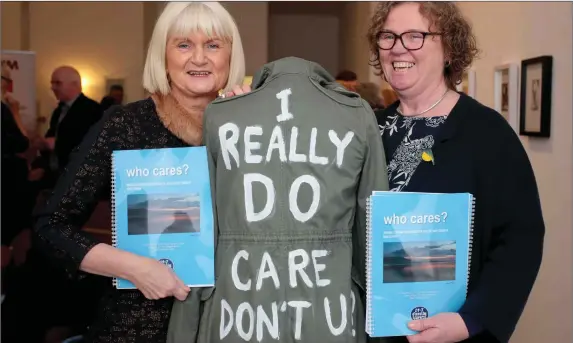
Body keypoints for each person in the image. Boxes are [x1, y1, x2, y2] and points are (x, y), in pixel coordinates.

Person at [33, 2, 249, 342]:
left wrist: (256, 120)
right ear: (163, 55)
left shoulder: (250, 130)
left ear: (230, 56)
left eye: (213, 45)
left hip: (232, 323)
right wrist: (136, 268)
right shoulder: (126, 126)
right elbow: (51, 228)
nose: (199, 58)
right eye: (183, 44)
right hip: (139, 325)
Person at [368, 2, 544, 343]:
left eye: (415, 36)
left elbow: (520, 241)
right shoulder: (366, 129)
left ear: (449, 49)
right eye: (388, 36)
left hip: (451, 334)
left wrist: (471, 320)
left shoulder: (487, 134)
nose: (397, 47)